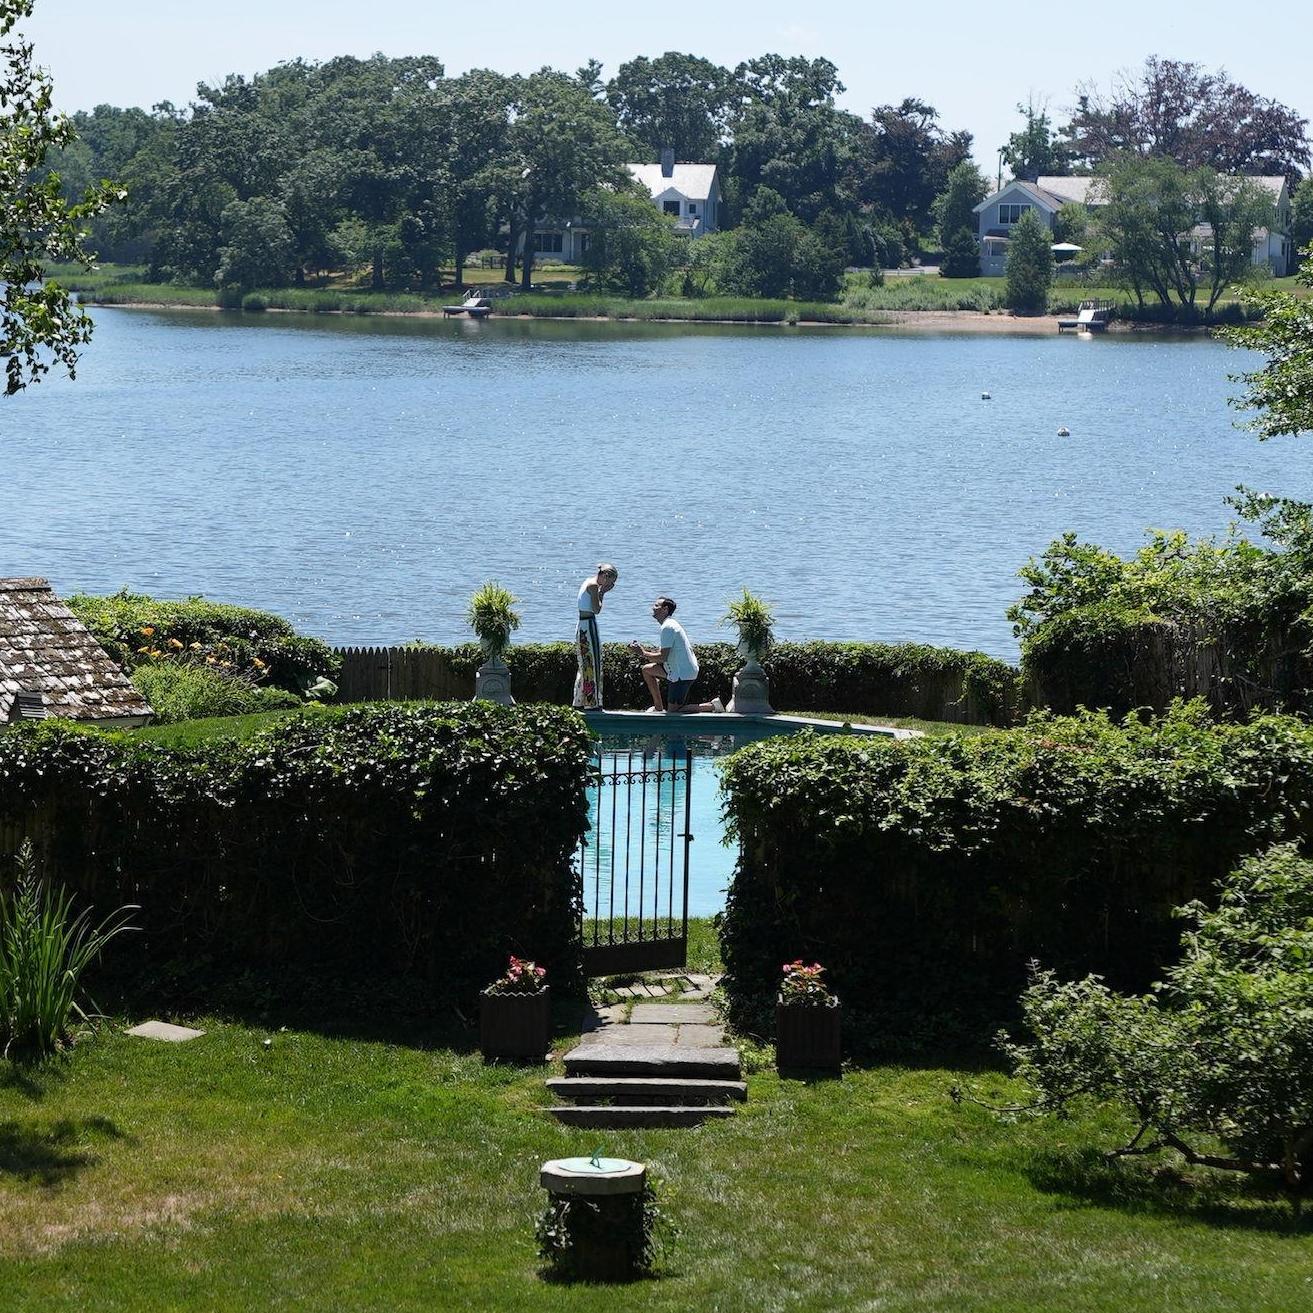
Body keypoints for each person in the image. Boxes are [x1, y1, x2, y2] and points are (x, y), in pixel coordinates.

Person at [630, 596, 725, 714]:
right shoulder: (668, 625)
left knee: (673, 712)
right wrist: (644, 651)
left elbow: (663, 657)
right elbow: (665, 653)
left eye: (656, 606)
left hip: (682, 673)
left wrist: (643, 653)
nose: (653, 608)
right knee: (647, 670)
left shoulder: (668, 627)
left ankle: (712, 706)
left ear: (665, 609)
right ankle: (658, 708)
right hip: (674, 670)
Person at [573, 563, 618, 710]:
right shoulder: (593, 586)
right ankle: (592, 703)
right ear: (606, 577)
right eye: (612, 581)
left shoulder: (588, 581)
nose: (612, 585)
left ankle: (579, 701)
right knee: (593, 663)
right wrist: (603, 592)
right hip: (589, 625)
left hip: (583, 624)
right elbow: (597, 609)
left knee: (585, 663)